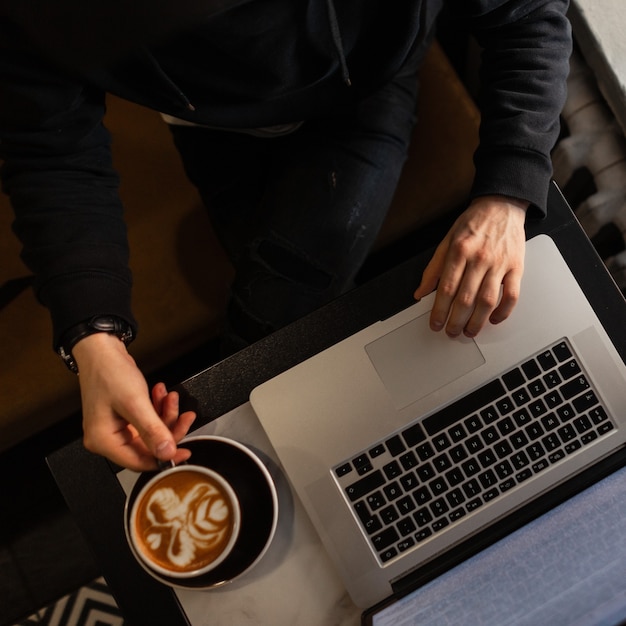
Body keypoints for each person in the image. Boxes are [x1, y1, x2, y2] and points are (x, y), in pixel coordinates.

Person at [0, 0, 572, 471]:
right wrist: (94, 340)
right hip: (209, 121)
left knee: (270, 340)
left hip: (367, 81)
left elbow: (529, 13)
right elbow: (49, 152)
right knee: (269, 367)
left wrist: (506, 195)